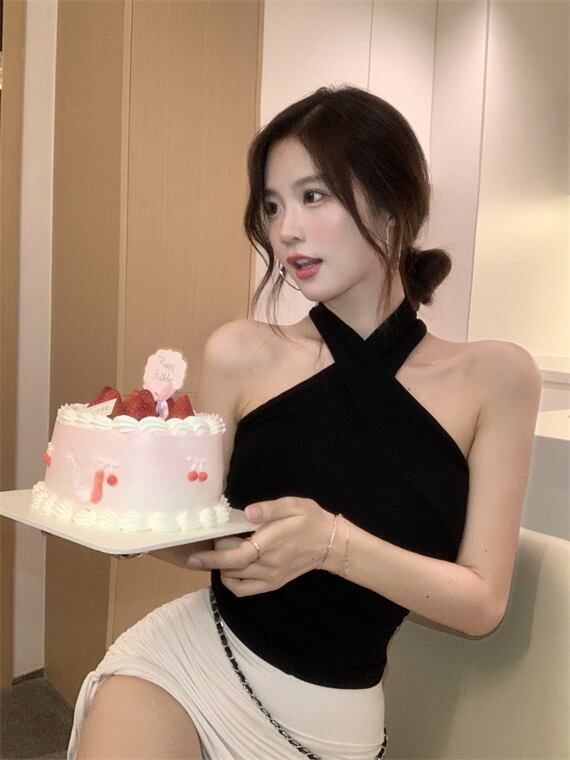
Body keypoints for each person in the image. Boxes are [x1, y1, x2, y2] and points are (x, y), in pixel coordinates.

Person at [68, 85, 541, 760]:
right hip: (192, 664)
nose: (285, 229)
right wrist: (124, 517)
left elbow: (481, 606)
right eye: (271, 205)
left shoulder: (496, 378)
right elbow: (200, 533)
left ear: (392, 202)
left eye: (313, 196)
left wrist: (331, 545)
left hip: (332, 721)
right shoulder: (240, 351)